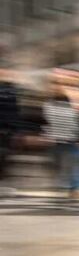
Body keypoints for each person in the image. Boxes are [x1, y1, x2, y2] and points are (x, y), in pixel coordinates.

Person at [43, 69, 79, 199]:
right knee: (61, 162)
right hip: (59, 135)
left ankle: (77, 187)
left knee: (76, 161)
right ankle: (70, 185)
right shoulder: (54, 96)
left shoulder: (77, 95)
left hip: (73, 135)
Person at [0, 63, 20, 194]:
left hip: (6, 130)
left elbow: (14, 113)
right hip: (6, 130)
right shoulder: (11, 92)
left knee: (4, 156)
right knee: (3, 157)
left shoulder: (11, 91)